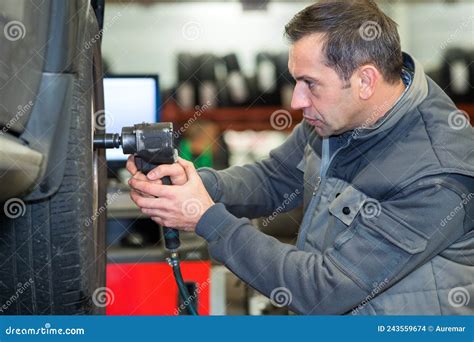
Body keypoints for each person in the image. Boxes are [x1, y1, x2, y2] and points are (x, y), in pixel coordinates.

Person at [126, 0, 474, 315]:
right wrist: (196, 183)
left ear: (365, 80)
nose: (296, 101)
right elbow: (272, 179)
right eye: (296, 81)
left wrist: (206, 218)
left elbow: (324, 289)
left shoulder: (437, 172)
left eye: (310, 83)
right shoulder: (334, 118)